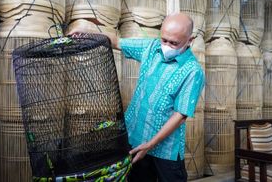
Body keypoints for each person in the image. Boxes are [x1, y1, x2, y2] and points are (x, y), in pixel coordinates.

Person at [68, 12, 205, 182]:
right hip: (136, 139)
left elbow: (180, 115)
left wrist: (151, 144)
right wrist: (87, 34)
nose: (167, 45)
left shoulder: (193, 71)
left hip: (166, 149)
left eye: (174, 43)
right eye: (164, 40)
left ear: (189, 41)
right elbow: (117, 42)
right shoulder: (151, 48)